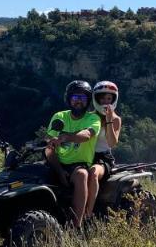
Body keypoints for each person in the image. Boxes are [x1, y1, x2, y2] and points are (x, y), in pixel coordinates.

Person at [44, 80, 102, 227]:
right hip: (56, 162)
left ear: (88, 100)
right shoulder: (60, 116)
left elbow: (87, 134)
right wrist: (59, 171)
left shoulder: (93, 118)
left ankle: (76, 225)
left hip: (78, 164)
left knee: (82, 174)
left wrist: (67, 137)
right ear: (69, 98)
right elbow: (49, 144)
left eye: (83, 98)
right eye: (75, 98)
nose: (78, 102)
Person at [86, 80, 122, 221]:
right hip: (85, 155)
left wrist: (108, 121)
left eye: (109, 98)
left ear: (114, 99)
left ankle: (87, 214)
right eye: (102, 98)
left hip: (103, 158)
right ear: (96, 99)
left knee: (93, 173)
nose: (106, 101)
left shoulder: (116, 119)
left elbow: (112, 143)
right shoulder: (88, 117)